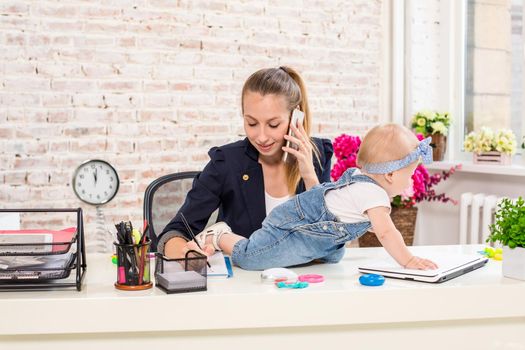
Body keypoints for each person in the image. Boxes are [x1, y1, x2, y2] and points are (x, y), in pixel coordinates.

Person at [189, 123, 439, 271]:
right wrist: (408, 260)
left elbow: (367, 224)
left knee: (335, 255)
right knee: (252, 257)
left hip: (318, 228)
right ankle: (221, 235)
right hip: (295, 225)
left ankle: (316, 252)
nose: (411, 180)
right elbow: (387, 233)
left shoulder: (362, 184)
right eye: (411, 173)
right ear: (393, 174)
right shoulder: (374, 195)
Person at [157, 66, 334, 258]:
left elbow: (329, 240)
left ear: (295, 117)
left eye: (273, 124)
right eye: (251, 123)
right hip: (245, 282)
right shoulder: (226, 162)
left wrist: (309, 176)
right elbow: (175, 232)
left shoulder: (317, 155)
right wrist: (188, 255)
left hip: (305, 281)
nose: (261, 137)